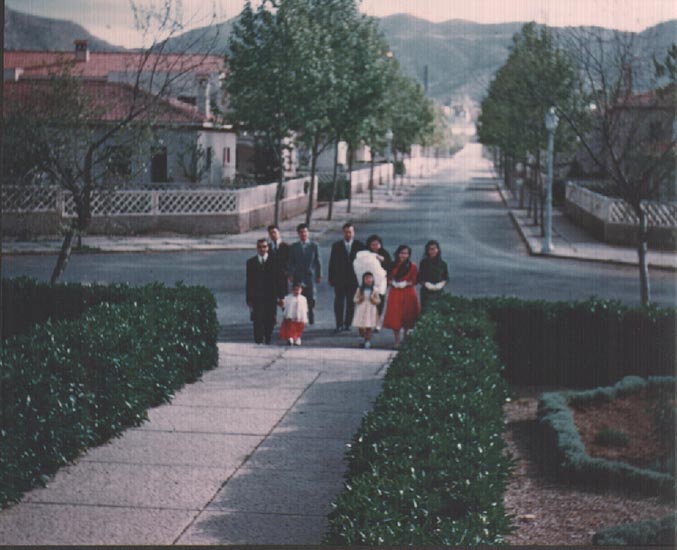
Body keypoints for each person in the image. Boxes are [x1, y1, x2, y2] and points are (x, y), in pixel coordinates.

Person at [246, 238, 284, 344]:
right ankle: (258, 339)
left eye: (264, 247)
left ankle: (268, 337)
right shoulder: (251, 262)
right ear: (257, 248)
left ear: (268, 248)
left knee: (270, 318)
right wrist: (249, 298)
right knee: (257, 319)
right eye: (260, 247)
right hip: (257, 296)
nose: (262, 249)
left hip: (271, 296)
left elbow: (280, 280)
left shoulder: (275, 261)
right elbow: (249, 281)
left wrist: (281, 297)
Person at [382, 244, 420, 349]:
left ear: (409, 255)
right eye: (401, 253)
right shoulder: (393, 265)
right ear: (398, 254)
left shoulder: (412, 266)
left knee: (408, 315)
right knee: (396, 316)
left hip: (408, 292)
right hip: (395, 293)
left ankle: (406, 337)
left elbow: (415, 280)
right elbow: (387, 278)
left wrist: (406, 283)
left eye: (406, 253)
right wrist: (392, 283)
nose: (403, 255)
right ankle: (397, 340)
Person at [328, 222, 365, 331]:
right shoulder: (337, 246)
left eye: (350, 232)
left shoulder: (359, 245)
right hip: (340, 278)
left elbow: (363, 263)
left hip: (353, 279)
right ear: (343, 233)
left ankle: (347, 323)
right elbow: (332, 262)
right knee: (339, 302)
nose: (348, 234)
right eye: (346, 232)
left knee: (351, 302)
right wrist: (331, 278)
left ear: (353, 233)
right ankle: (339, 324)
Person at [287, 223, 322, 324]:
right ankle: (298, 317)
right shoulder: (294, 247)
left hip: (309, 275)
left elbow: (317, 261)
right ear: (298, 234)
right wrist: (290, 274)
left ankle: (310, 314)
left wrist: (319, 274)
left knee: (311, 297)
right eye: (301, 232)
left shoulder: (314, 246)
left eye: (305, 232)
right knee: (297, 297)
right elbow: (291, 262)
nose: (303, 234)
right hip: (298, 275)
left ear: (308, 233)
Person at [364, 234, 392, 328]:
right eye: (373, 244)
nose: (375, 246)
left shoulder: (384, 253)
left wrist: (382, 260)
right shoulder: (366, 253)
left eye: (377, 244)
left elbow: (389, 266)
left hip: (381, 281)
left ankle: (377, 322)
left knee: (380, 301)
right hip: (368, 281)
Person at [418, 239, 450, 310]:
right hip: (426, 292)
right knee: (426, 310)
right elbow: (420, 278)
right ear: (427, 251)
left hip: (439, 291)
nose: (433, 251)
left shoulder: (443, 264)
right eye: (430, 249)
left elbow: (446, 277)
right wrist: (426, 284)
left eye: (434, 249)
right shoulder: (423, 263)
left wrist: (441, 284)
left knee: (439, 310)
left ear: (438, 250)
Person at [352, 272, 381, 349]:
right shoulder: (359, 289)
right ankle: (362, 337)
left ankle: (367, 340)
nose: (368, 280)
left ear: (373, 279)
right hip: (361, 308)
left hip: (370, 309)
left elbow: (378, 300)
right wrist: (360, 299)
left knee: (369, 325)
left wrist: (373, 300)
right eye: (366, 278)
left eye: (370, 278)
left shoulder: (375, 289)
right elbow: (355, 299)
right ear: (363, 280)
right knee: (360, 325)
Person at [280, 281, 309, 346]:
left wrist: (304, 316)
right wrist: (282, 303)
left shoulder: (303, 299)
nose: (296, 291)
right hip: (290, 316)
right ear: (292, 290)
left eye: (298, 290)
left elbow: (305, 308)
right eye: (295, 290)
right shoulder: (288, 298)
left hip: (300, 317)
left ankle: (297, 338)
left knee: (298, 328)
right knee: (290, 328)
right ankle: (290, 338)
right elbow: (283, 304)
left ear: (301, 290)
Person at [268, 224, 290, 293]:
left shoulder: (286, 246)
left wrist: (287, 272)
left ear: (278, 233)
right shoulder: (267, 247)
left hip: (282, 276)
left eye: (274, 232)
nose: (273, 234)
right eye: (271, 233)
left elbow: (290, 261)